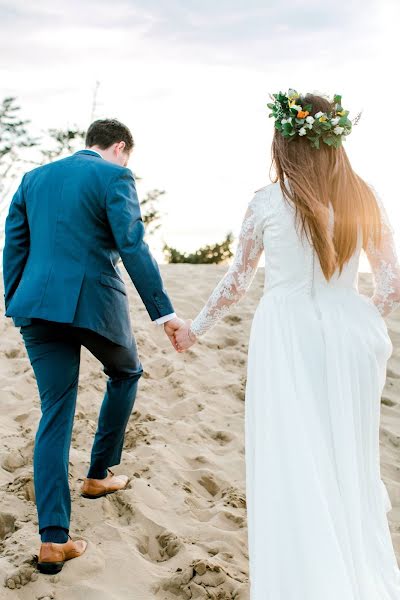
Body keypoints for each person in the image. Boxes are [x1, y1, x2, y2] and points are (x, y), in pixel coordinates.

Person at [175, 91, 400, 599]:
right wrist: (357, 316)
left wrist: (195, 329)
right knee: (348, 457)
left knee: (295, 457)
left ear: (283, 142)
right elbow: (391, 282)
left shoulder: (267, 201)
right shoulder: (364, 197)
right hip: (352, 339)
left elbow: (237, 282)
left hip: (287, 337)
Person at [2, 118, 183, 574]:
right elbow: (132, 245)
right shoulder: (115, 175)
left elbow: (14, 245)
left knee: (55, 411)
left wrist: (16, 299)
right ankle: (98, 475)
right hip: (94, 306)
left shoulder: (32, 178)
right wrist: (163, 312)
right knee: (126, 372)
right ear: (120, 147)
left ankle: (53, 541)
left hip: (35, 305)